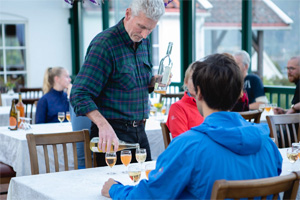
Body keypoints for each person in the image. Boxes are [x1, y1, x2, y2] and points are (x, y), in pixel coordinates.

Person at [101, 54, 282, 199]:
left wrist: (115, 190)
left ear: (199, 93)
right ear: (238, 95)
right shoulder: (269, 146)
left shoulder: (188, 146)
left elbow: (149, 196)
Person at [70, 0, 165, 166]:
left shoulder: (144, 42)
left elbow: (134, 82)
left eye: (150, 29)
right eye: (141, 26)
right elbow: (79, 94)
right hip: (111, 135)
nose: (144, 34)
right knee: (112, 190)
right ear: (128, 14)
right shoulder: (104, 44)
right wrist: (102, 125)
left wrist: (154, 81)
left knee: (143, 186)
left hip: (140, 132)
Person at [166, 63, 204, 138]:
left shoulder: (211, 106)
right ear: (186, 82)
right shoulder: (178, 108)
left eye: (201, 79)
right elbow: (181, 141)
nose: (197, 83)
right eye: (193, 78)